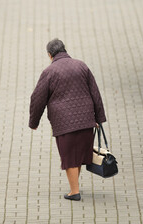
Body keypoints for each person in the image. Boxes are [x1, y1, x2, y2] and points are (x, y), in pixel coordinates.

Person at [28, 38, 107, 201]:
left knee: (70, 156)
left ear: (50, 55)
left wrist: (33, 122)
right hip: (86, 120)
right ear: (65, 50)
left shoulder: (49, 72)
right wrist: (99, 118)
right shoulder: (81, 66)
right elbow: (95, 93)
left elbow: (37, 99)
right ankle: (74, 188)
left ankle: (74, 192)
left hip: (64, 123)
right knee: (76, 156)